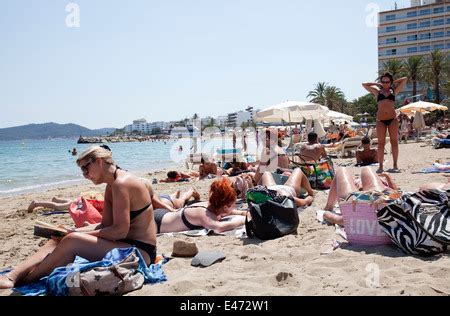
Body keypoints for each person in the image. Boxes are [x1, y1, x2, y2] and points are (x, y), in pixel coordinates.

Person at [0, 146, 157, 289]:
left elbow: (119, 231)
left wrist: (75, 234)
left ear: (99, 162)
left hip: (140, 252)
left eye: (85, 169)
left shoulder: (121, 184)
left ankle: (26, 280)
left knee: (72, 240)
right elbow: (105, 225)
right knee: (60, 236)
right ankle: (13, 275)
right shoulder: (112, 185)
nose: (85, 175)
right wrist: (72, 230)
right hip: (126, 245)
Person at [153, 178, 246, 234]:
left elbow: (228, 212)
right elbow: (218, 228)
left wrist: (243, 213)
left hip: (165, 214)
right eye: (234, 204)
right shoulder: (203, 214)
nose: (235, 206)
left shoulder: (214, 206)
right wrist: (244, 220)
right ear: (225, 206)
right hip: (157, 221)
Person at [322, 167, 398, 226]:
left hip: (372, 196)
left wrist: (326, 214)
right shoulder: (392, 217)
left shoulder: (353, 218)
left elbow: (335, 218)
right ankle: (328, 207)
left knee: (342, 170)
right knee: (367, 169)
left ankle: (328, 206)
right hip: (380, 196)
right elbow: (395, 193)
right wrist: (387, 176)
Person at [362, 73, 408, 173]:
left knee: (394, 142)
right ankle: (381, 166)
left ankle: (395, 165)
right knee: (381, 143)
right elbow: (364, 84)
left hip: (393, 119)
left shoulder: (394, 91)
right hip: (380, 120)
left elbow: (405, 79)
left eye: (387, 82)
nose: (385, 83)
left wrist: (393, 82)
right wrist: (377, 84)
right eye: (383, 82)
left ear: (390, 82)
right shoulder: (377, 92)